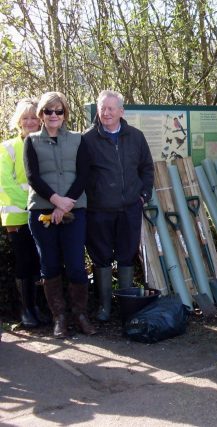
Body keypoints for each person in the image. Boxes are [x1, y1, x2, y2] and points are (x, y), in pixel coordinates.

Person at [24, 91, 95, 337]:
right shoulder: (31, 141)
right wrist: (55, 201)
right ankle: (60, 318)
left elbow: (84, 174)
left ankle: (81, 314)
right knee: (50, 266)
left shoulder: (78, 139)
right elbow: (33, 176)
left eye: (59, 111)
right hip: (41, 212)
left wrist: (65, 205)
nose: (53, 115)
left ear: (65, 113)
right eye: (48, 111)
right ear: (41, 114)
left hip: (74, 210)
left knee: (76, 265)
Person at [83, 90, 154, 322]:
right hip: (99, 211)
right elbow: (81, 175)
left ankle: (126, 305)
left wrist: (143, 195)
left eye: (111, 108)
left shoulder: (136, 136)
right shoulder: (87, 139)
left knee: (126, 256)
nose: (106, 113)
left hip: (129, 209)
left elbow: (146, 168)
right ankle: (104, 307)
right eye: (103, 108)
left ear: (121, 111)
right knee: (101, 257)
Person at [0, 98, 49, 328]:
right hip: (18, 214)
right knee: (24, 261)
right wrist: (29, 203)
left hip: (41, 213)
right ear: (18, 121)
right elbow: (6, 184)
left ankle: (38, 307)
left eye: (33, 117)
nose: (30, 122)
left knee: (42, 262)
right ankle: (26, 310)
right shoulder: (8, 147)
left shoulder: (45, 143)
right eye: (25, 117)